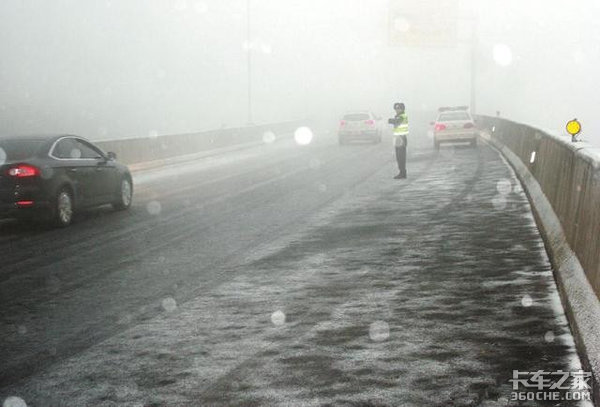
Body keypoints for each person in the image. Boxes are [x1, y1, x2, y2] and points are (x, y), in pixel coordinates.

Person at [388, 102, 409, 179]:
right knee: (398, 156)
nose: (397, 110)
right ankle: (401, 172)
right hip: (398, 138)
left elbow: (396, 121)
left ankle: (403, 173)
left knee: (401, 157)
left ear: (402, 109)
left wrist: (390, 120)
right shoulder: (398, 116)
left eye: (398, 108)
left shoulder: (402, 116)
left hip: (401, 138)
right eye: (396, 108)